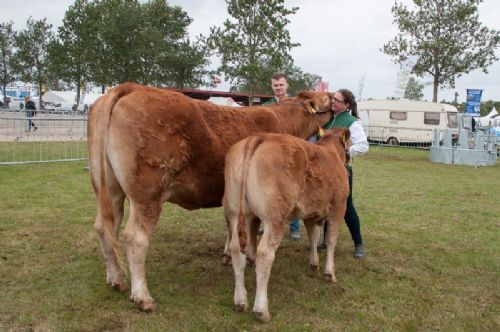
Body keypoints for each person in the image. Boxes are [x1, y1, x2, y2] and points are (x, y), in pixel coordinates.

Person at [317, 89, 368, 258]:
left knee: (346, 207)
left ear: (346, 105)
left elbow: (363, 146)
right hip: (324, 170)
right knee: (325, 204)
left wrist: (344, 153)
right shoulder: (327, 120)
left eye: (337, 100)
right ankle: (325, 240)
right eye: (333, 99)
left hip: (342, 171)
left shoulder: (352, 122)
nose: (332, 102)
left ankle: (359, 244)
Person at [261, 73, 301, 240]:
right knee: (266, 189)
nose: (278, 88)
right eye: (275, 85)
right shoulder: (266, 107)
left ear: (287, 85)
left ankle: (294, 226)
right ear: (272, 86)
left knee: (291, 189)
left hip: (290, 154)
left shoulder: (295, 106)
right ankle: (264, 223)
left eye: (281, 85)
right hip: (269, 154)